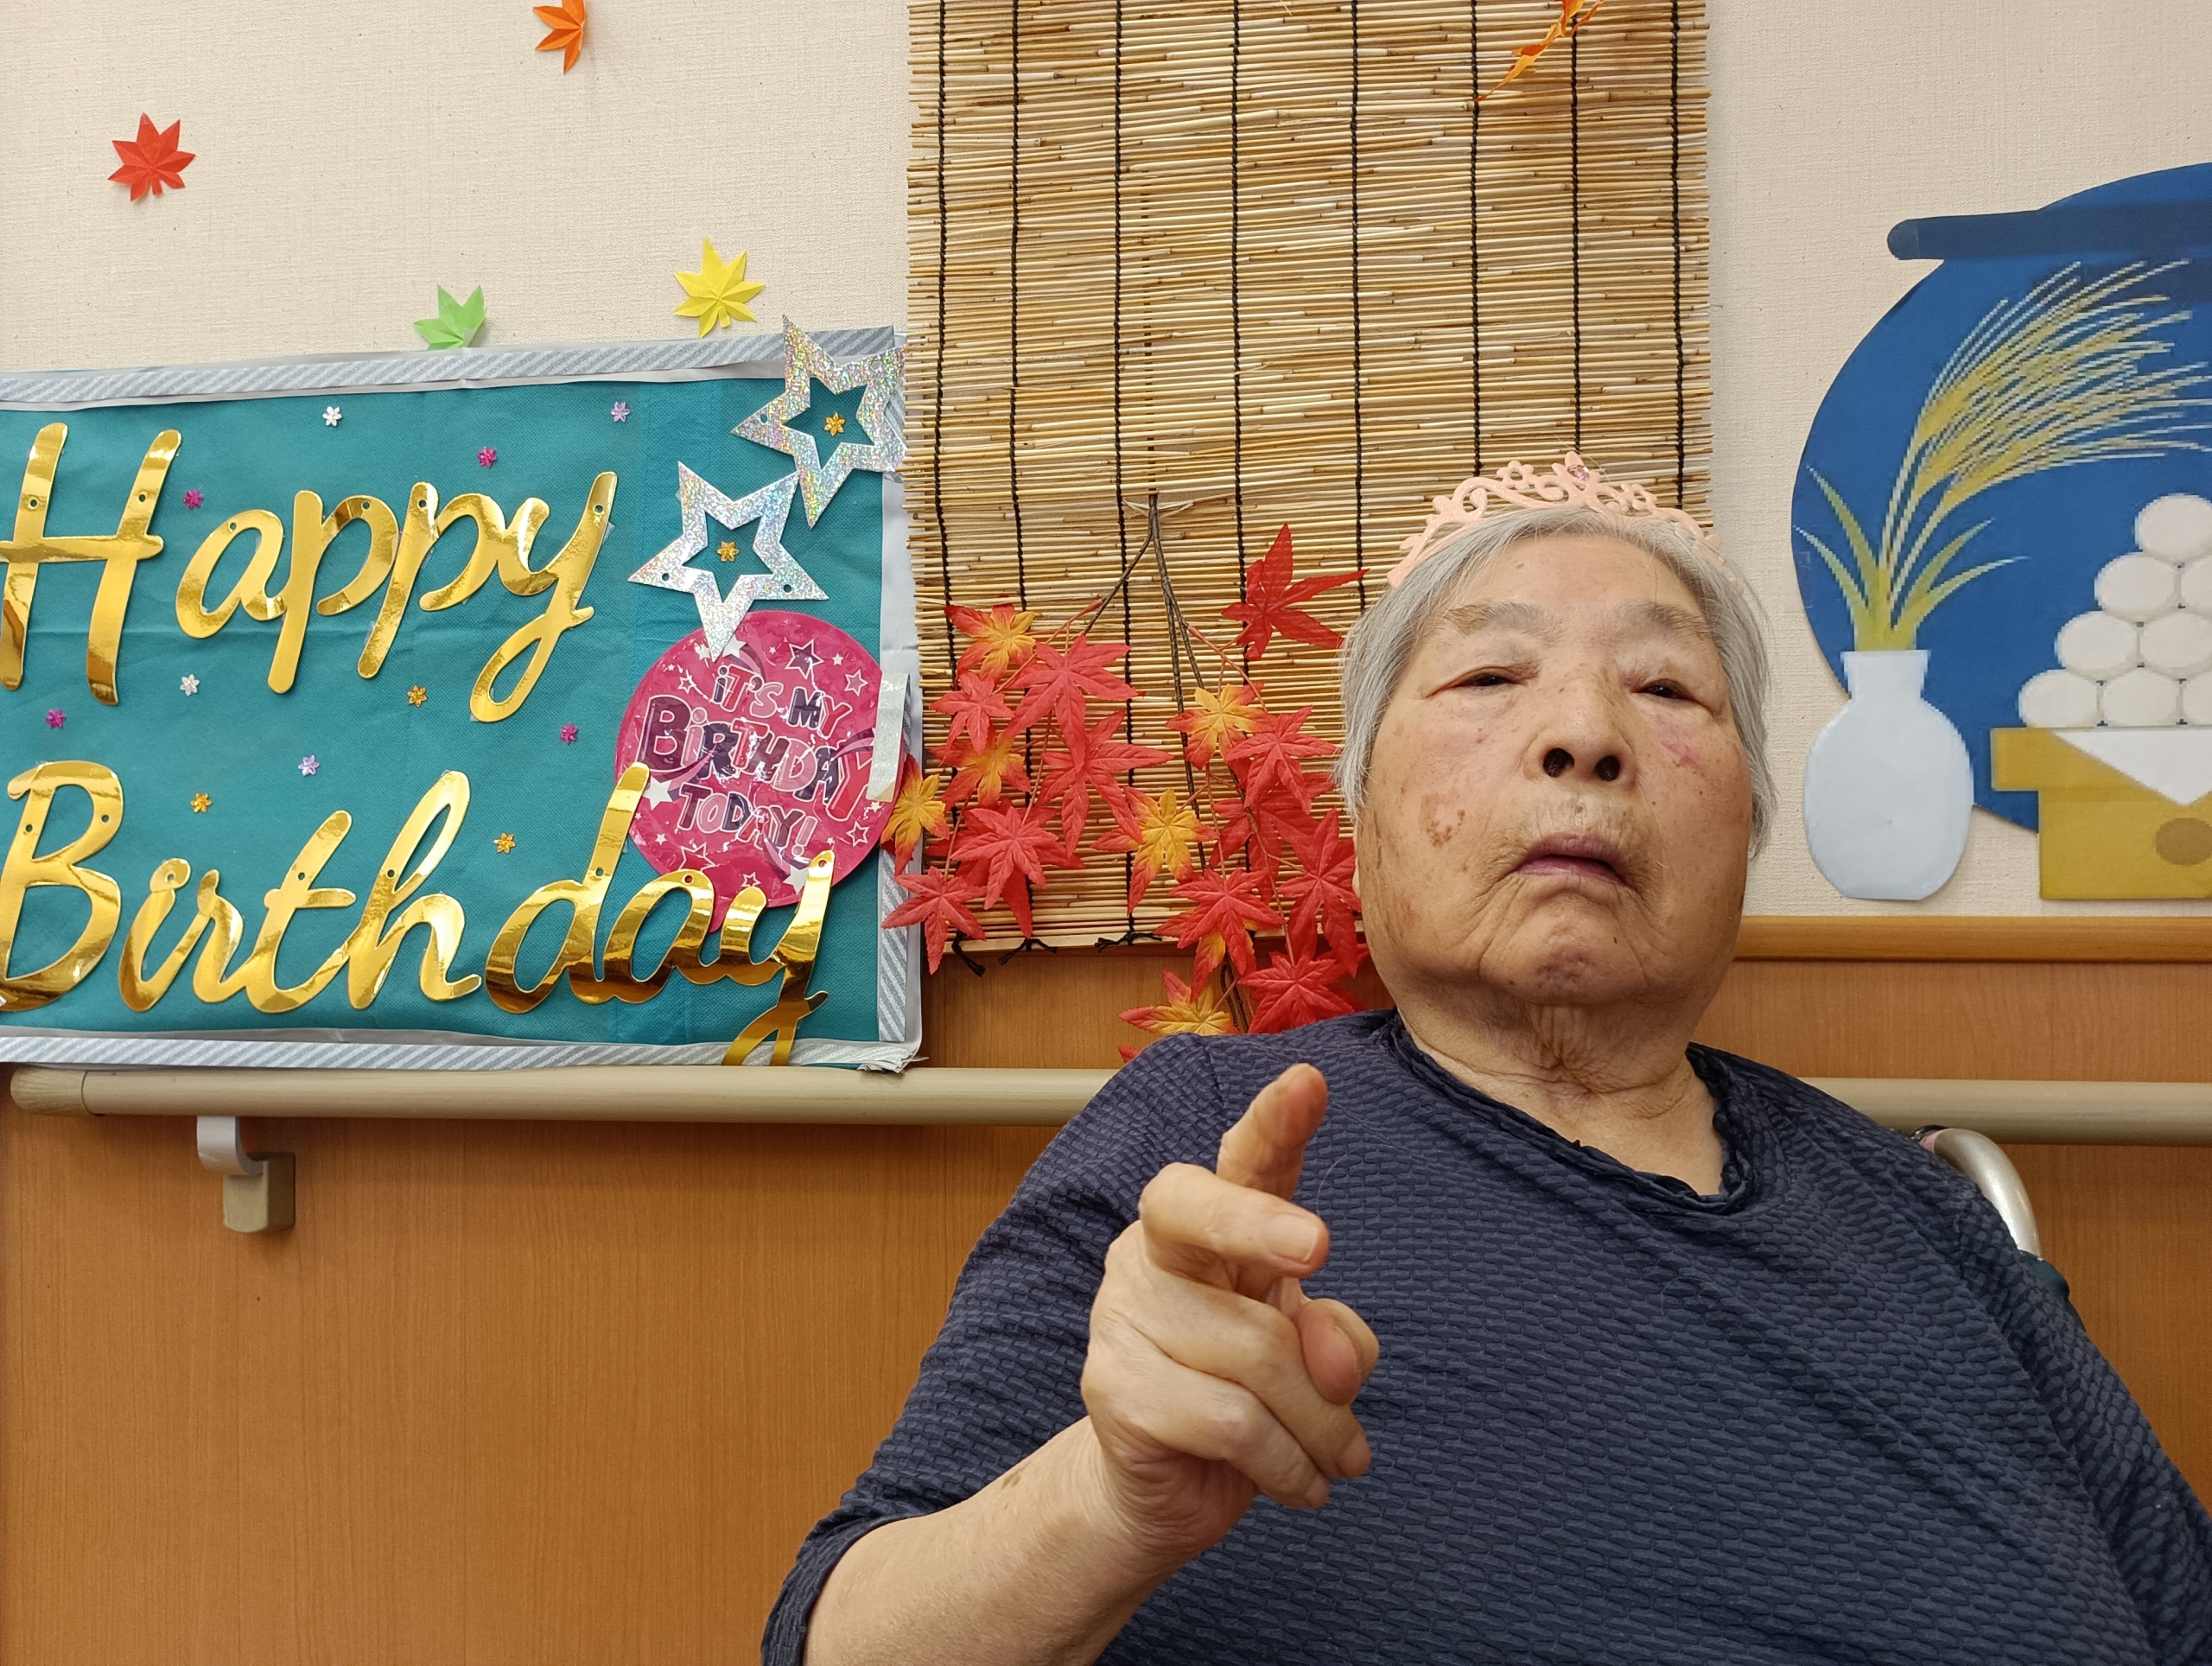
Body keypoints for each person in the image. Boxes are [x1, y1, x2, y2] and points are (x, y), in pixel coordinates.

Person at [766, 463, 2212, 1665]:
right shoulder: (1196, 1137)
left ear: (1749, 827)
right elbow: (835, 1642)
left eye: (1667, 689)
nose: (1584, 733)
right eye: (1490, 674)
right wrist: (1104, 1500)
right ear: (1362, 816)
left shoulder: (1929, 1219)